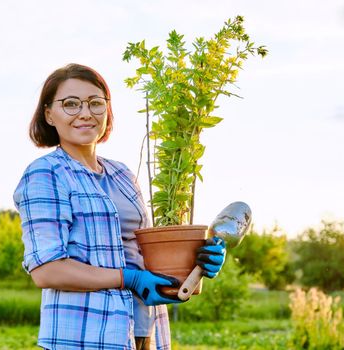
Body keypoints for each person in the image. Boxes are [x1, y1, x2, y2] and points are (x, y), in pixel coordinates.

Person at [13, 63, 226, 350]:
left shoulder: (122, 175)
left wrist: (197, 260)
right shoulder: (46, 173)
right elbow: (47, 270)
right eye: (71, 104)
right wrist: (129, 279)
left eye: (95, 103)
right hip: (84, 337)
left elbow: (145, 256)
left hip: (143, 332)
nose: (85, 113)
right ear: (49, 114)